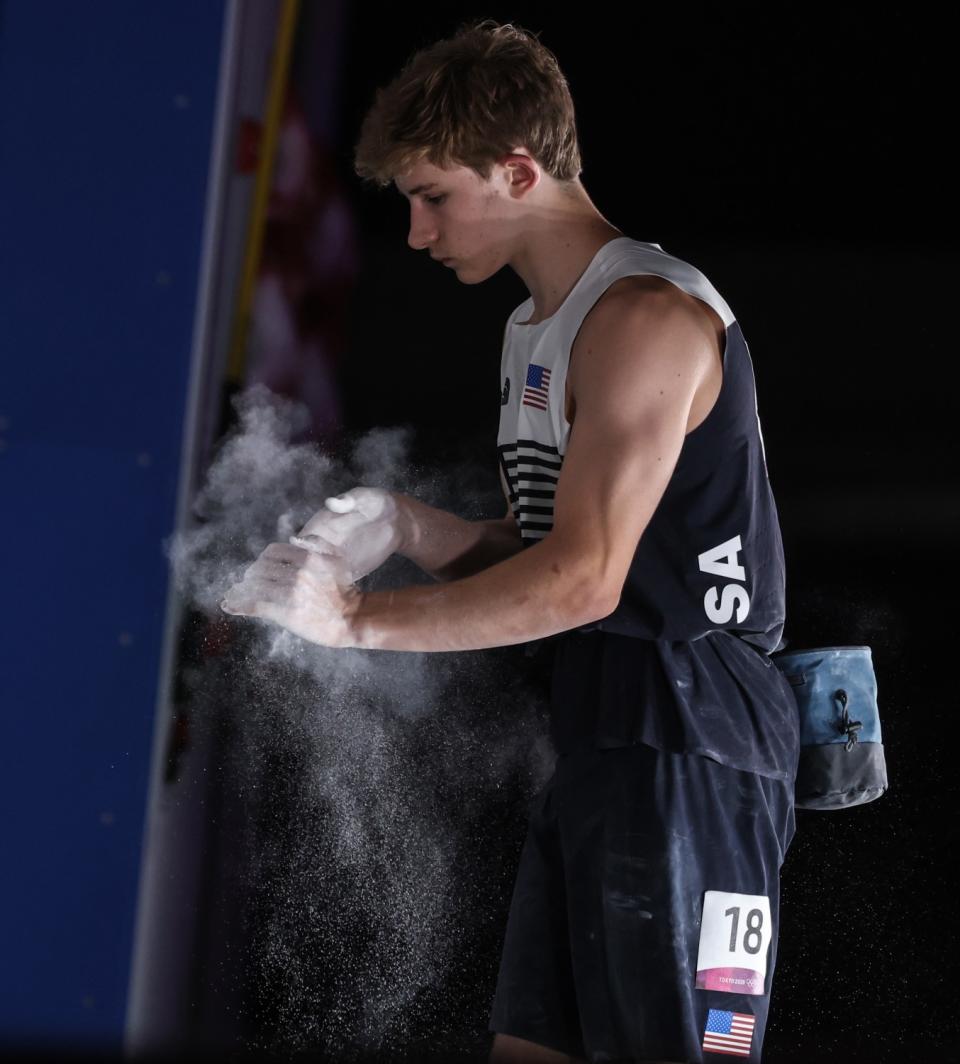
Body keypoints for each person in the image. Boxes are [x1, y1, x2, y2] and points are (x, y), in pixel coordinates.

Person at [221, 18, 800, 1064]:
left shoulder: (643, 317)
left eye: (432, 196)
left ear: (518, 169)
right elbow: (542, 553)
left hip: (688, 728)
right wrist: (400, 522)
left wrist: (352, 619)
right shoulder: (538, 326)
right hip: (599, 724)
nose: (416, 233)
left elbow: (582, 580)